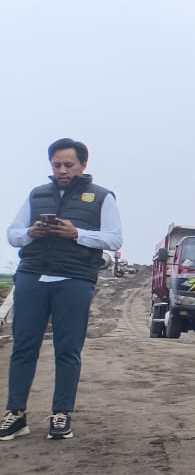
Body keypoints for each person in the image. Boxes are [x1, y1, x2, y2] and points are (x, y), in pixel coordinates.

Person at [1, 139, 124, 442]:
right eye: (56, 164)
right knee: (23, 347)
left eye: (68, 164)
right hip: (32, 276)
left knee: (67, 349)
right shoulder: (37, 195)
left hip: (74, 279)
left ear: (83, 164)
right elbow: (13, 235)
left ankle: (61, 414)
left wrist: (76, 233)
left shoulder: (101, 197)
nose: (62, 170)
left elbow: (113, 239)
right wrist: (32, 232)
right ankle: (16, 414)